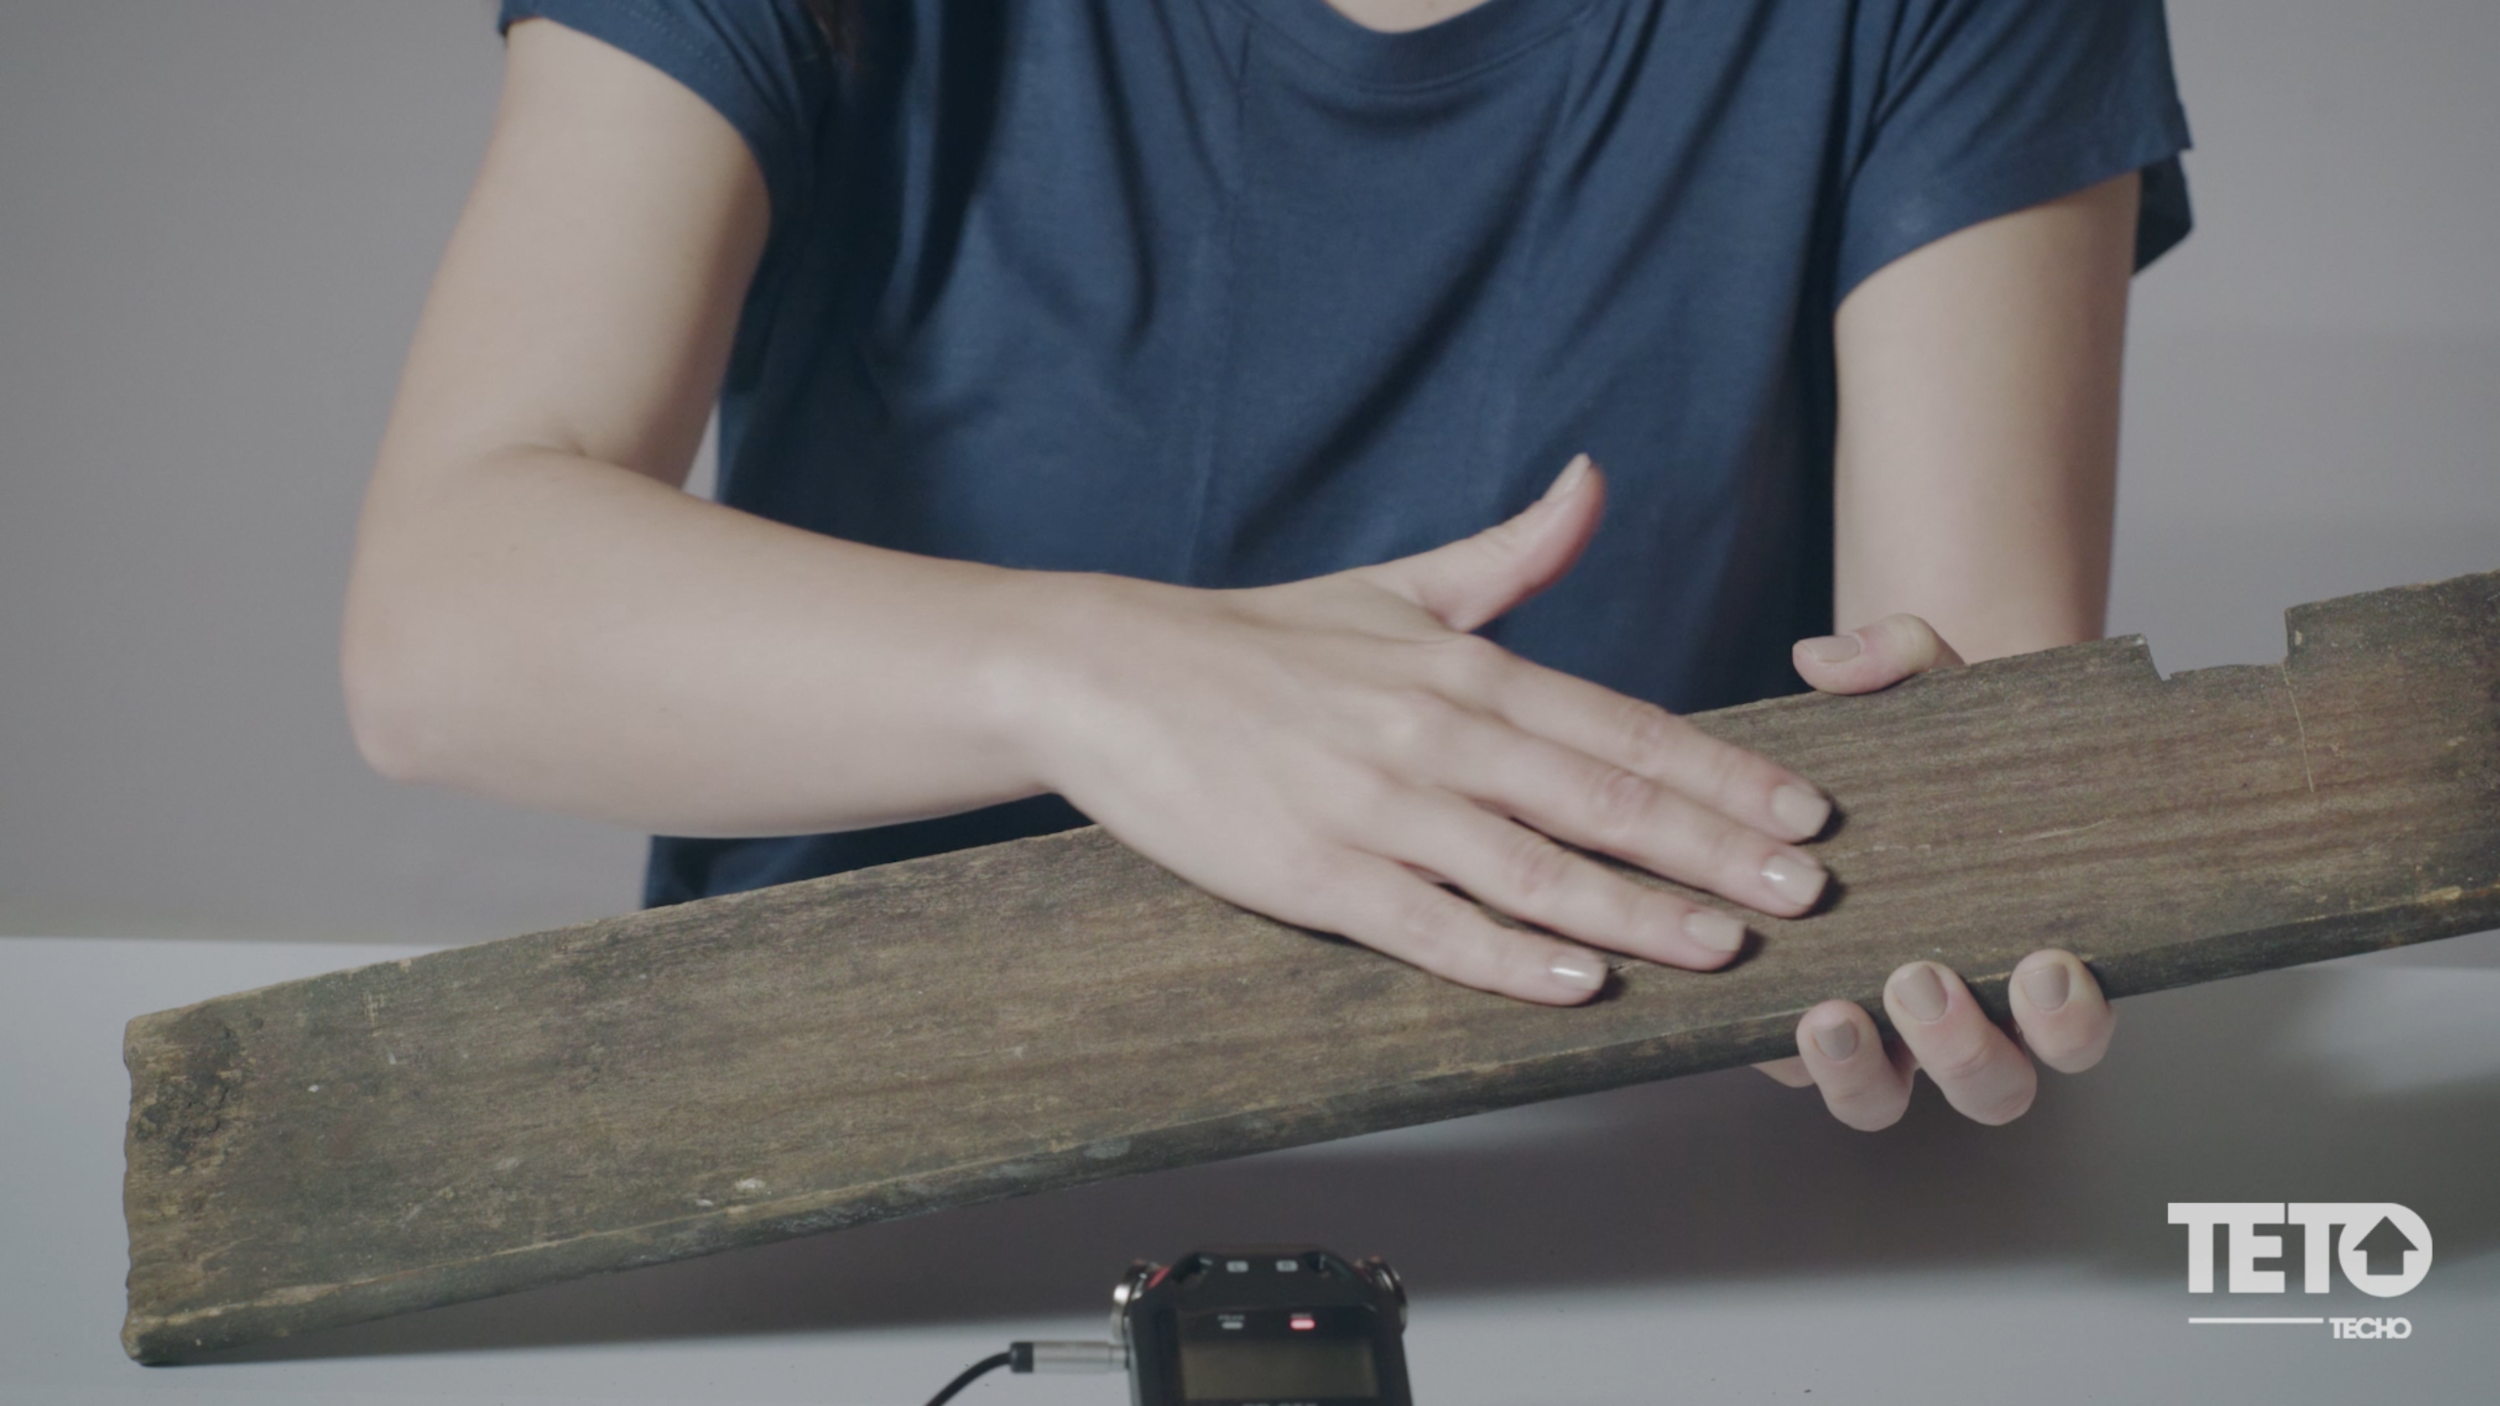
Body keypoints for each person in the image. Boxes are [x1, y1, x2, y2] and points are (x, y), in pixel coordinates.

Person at [342, 0, 2192, 1132]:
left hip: (1619, 1169)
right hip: (834, 1157)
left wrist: (1939, 890)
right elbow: (444, 616)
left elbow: (1969, 742)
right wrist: (1104, 679)